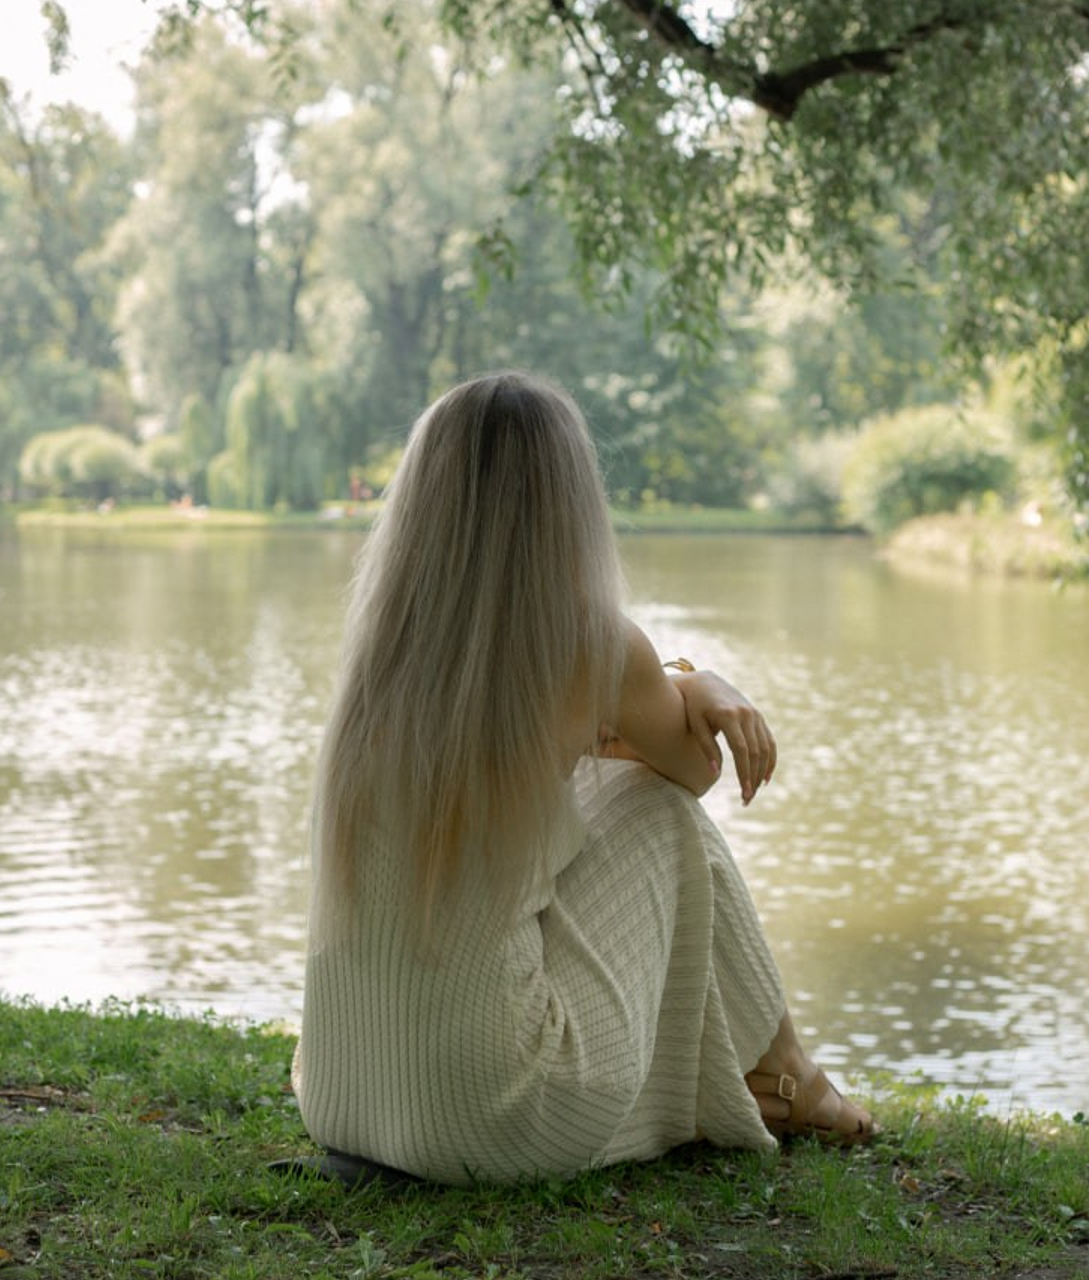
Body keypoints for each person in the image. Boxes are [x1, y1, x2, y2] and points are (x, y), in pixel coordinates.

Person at [291, 371, 875, 1187]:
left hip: (343, 1096)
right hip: (497, 1119)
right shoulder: (588, 643)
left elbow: (584, 749)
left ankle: (774, 1076)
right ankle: (789, 1073)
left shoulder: (385, 654)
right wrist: (700, 685)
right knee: (663, 814)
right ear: (568, 499)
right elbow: (689, 771)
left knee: (597, 799)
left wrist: (656, 699)